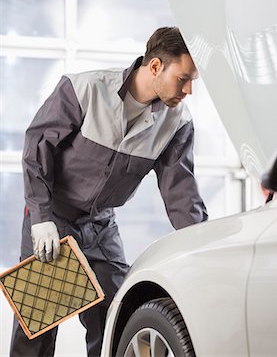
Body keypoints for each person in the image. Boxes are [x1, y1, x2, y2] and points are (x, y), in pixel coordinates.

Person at [10, 26, 208, 357]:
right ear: (156, 66)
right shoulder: (84, 89)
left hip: (101, 228)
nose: (188, 90)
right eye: (183, 78)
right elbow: (37, 150)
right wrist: (41, 218)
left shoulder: (176, 123)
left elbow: (182, 193)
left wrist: (201, 246)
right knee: (39, 326)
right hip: (51, 219)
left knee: (116, 318)